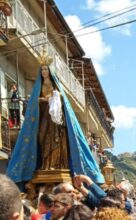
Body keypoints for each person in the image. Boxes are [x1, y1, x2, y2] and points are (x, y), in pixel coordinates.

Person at [6, 51, 104, 184]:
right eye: (42, 69)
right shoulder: (38, 86)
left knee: (56, 141)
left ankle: (56, 165)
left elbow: (63, 102)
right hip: (43, 117)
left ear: (50, 71)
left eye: (46, 69)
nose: (44, 71)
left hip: (56, 120)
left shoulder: (56, 86)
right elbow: (35, 101)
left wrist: (56, 97)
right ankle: (45, 164)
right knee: (42, 139)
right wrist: (41, 100)